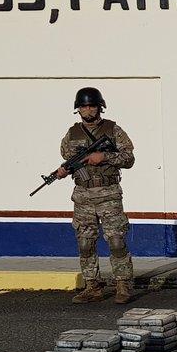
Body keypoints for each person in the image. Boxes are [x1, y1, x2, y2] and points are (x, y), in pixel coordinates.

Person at [55, 87, 136, 304]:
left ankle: (122, 285)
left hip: (109, 194)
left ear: (100, 107)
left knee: (116, 241)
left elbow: (129, 159)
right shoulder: (72, 134)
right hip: (83, 196)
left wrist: (105, 157)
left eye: (92, 106)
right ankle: (92, 286)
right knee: (85, 242)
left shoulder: (113, 130)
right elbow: (70, 159)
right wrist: (64, 171)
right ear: (78, 109)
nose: (88, 110)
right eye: (84, 106)